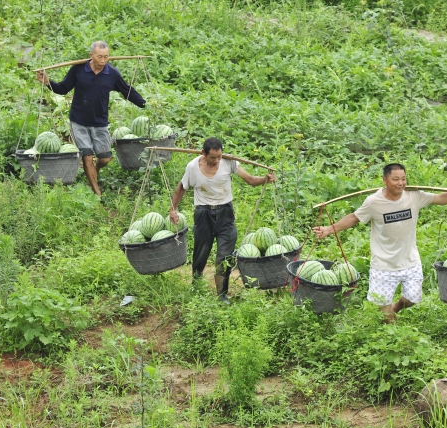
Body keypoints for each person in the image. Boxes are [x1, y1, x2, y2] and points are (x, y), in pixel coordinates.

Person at [313, 163, 447, 322]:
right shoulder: (373, 202)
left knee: (411, 299)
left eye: (403, 179)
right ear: (385, 180)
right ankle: (394, 333)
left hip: (410, 260)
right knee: (383, 307)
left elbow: (441, 198)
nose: (401, 183)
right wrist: (329, 229)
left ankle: (396, 307)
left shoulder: (414, 196)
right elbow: (354, 218)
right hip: (383, 264)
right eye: (396, 179)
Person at [169, 138, 276, 304]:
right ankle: (196, 286)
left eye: (219, 156)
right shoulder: (192, 167)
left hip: (225, 213)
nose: (217, 160)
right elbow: (181, 187)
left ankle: (222, 294)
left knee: (225, 255)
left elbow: (249, 180)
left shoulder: (229, 162)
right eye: (213, 157)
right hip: (203, 213)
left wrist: (265, 179)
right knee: (201, 252)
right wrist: (172, 209)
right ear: (203, 153)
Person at [36, 41, 146, 196]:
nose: (103, 60)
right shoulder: (78, 69)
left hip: (100, 122)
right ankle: (97, 193)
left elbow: (127, 90)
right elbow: (63, 88)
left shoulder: (112, 74)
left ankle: (96, 169)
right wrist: (48, 82)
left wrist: (144, 104)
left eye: (106, 57)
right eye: (99, 57)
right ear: (91, 55)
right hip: (79, 121)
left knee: (105, 158)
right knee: (87, 156)